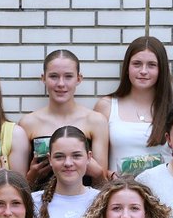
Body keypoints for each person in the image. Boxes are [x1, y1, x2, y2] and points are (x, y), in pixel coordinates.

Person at [18, 50, 109, 187]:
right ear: (43, 78)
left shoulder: (96, 121)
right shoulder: (28, 123)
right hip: (40, 204)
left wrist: (97, 173)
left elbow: (102, 186)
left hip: (85, 205)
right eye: (54, 76)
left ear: (79, 79)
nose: (61, 83)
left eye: (68, 76)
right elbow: (19, 188)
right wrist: (33, 176)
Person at [95, 36, 173, 176]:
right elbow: (97, 169)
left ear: (161, 70)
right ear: (127, 68)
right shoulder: (106, 106)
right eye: (137, 64)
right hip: (119, 193)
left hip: (162, 195)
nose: (143, 71)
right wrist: (113, 178)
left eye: (151, 65)